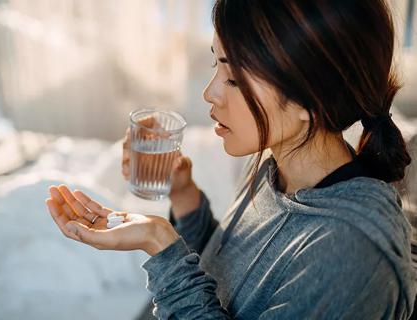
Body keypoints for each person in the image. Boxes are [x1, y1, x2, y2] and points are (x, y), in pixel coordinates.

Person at [45, 0, 417, 318]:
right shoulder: (280, 167)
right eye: (216, 66)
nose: (210, 93)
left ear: (311, 99)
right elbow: (225, 278)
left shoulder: (350, 255)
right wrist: (184, 195)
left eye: (234, 78)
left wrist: (160, 244)